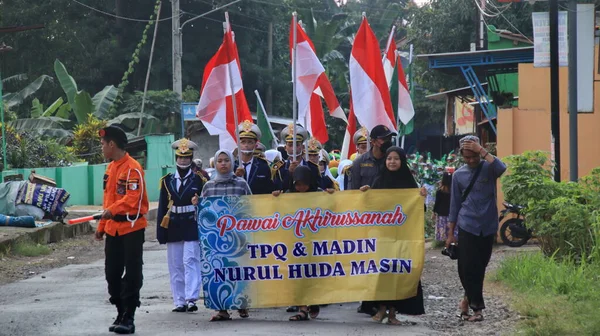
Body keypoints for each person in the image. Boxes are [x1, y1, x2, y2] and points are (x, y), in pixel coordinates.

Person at [360, 146, 425, 325]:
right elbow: (368, 208)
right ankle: (381, 309)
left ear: (402, 161)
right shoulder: (378, 180)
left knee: (399, 272)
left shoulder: (410, 183)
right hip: (383, 236)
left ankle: (393, 313)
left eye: (396, 159)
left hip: (403, 236)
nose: (392, 162)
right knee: (383, 271)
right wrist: (365, 195)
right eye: (389, 159)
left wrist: (420, 198)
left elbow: (419, 210)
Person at [95, 125, 149, 334]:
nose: (101, 148)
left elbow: (132, 200)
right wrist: (101, 225)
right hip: (113, 228)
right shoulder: (110, 168)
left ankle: (129, 316)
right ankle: (120, 310)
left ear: (112, 144)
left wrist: (111, 210)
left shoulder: (132, 168)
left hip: (132, 227)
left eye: (102, 144)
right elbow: (107, 200)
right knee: (112, 273)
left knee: (133, 273)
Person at [446, 135, 507, 323]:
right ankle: (477, 308)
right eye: (467, 157)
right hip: (467, 225)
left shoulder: (489, 169)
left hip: (487, 226)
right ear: (461, 156)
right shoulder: (458, 175)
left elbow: (502, 168)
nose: (471, 160)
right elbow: (454, 205)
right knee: (466, 268)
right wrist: (450, 233)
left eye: (474, 156)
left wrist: (481, 150)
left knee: (479, 267)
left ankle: (466, 300)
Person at [272, 165, 334, 322]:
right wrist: (276, 197)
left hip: (315, 243)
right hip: (295, 244)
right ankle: (302, 309)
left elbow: (333, 209)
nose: (300, 188)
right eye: (297, 184)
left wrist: (332, 196)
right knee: (298, 275)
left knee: (313, 275)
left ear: (310, 182)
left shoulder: (320, 194)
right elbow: (277, 210)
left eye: (304, 184)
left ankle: (313, 302)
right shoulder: (288, 195)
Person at [201, 149, 252, 322]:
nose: (223, 164)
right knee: (219, 272)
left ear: (232, 162)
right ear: (215, 164)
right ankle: (222, 309)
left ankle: (242, 305)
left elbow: (251, 206)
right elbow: (203, 214)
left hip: (239, 236)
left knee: (240, 271)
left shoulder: (241, 184)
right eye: (220, 161)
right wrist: (196, 205)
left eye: (226, 160)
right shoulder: (209, 186)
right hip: (216, 238)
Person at [157, 139, 204, 313]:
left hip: (191, 222)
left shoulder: (199, 179)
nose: (183, 160)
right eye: (180, 157)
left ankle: (192, 298)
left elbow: (205, 203)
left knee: (190, 260)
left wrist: (199, 202)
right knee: (175, 264)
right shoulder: (167, 180)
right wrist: (161, 232)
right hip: (173, 223)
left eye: (186, 157)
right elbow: (163, 206)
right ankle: (179, 301)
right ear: (175, 158)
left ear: (191, 158)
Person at [233, 120, 275, 195]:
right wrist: (235, 177)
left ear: (255, 145)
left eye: (250, 142)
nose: (246, 145)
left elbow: (269, 189)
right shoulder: (232, 166)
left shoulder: (263, 166)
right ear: (238, 144)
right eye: (243, 142)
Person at [350, 125, 395, 191]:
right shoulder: (359, 162)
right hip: (366, 200)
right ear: (373, 142)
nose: (387, 142)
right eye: (384, 139)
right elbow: (353, 191)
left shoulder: (392, 162)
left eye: (389, 139)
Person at [279, 124, 320, 192]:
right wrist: (289, 173)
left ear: (303, 147)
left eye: (297, 145)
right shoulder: (280, 168)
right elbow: (278, 187)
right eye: (290, 145)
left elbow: (318, 187)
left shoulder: (312, 167)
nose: (294, 148)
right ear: (285, 148)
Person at [433, 172, 456, 242]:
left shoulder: (440, 191)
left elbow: (437, 203)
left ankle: (445, 241)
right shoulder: (454, 191)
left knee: (443, 229)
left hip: (442, 214)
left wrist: (434, 212)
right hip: (451, 213)